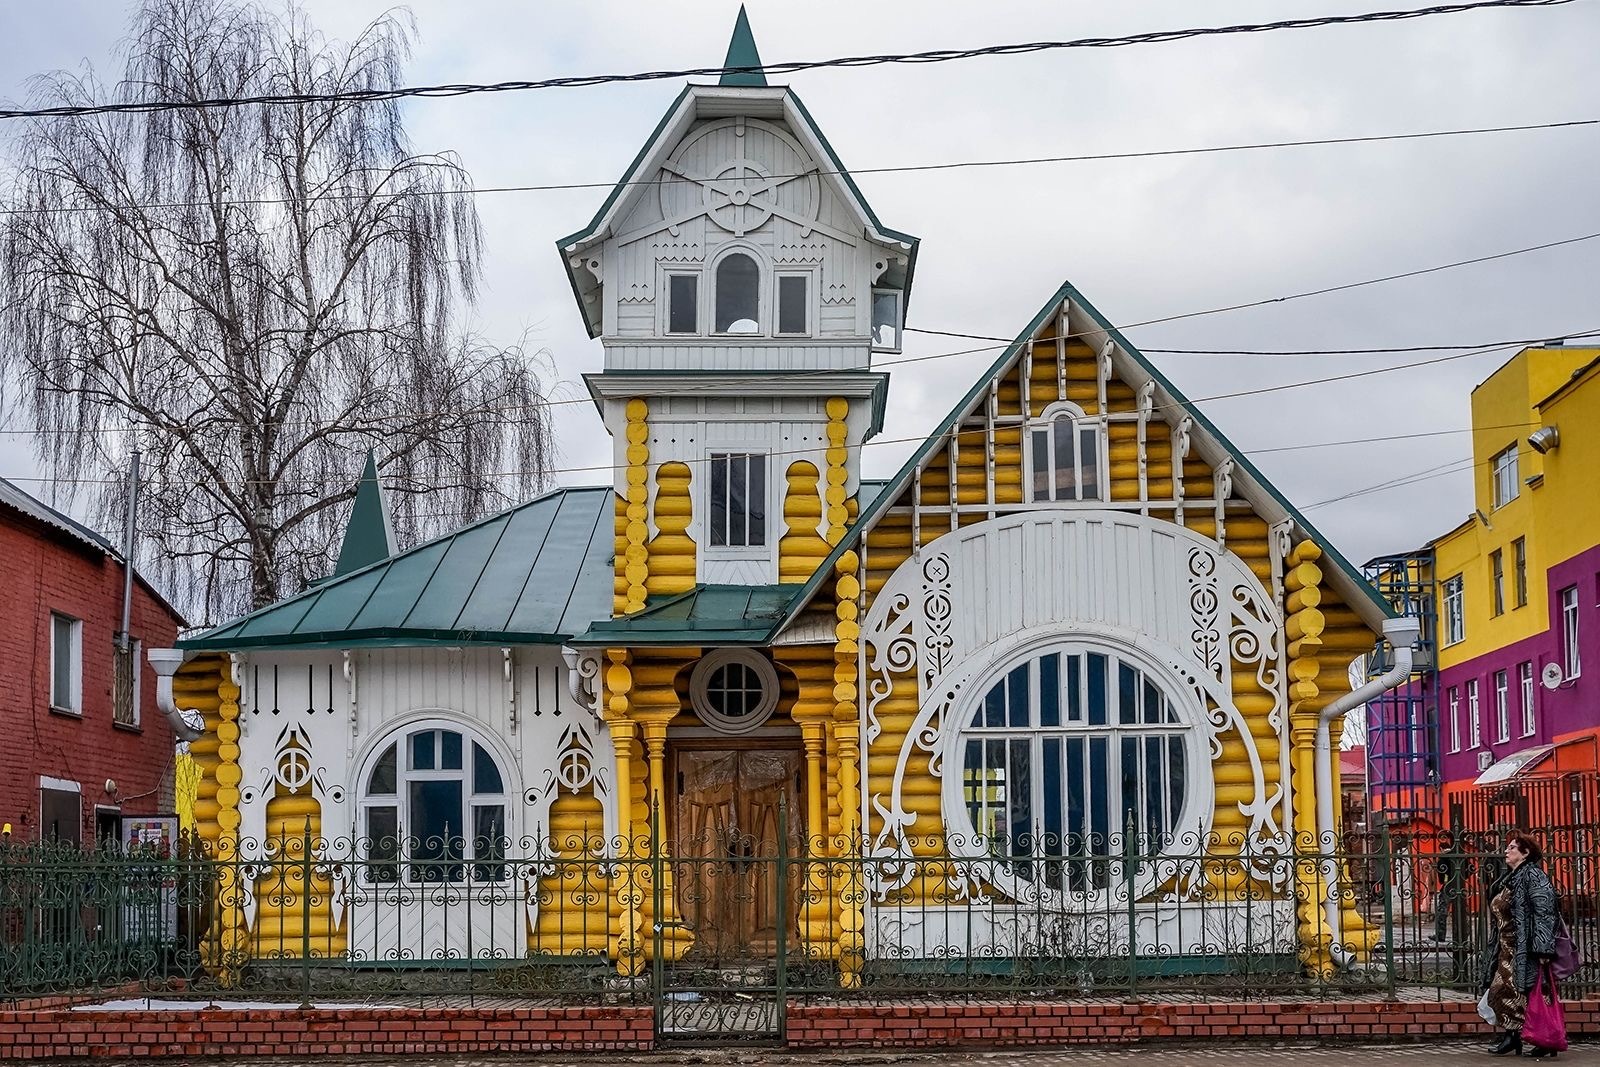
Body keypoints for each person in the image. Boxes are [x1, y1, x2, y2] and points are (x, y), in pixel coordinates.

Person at [1478, 831, 1560, 1057]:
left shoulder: (1533, 876)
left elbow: (1545, 911)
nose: (1507, 850)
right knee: (1505, 992)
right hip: (1507, 947)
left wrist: (1543, 948)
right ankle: (1514, 1037)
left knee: (1525, 992)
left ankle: (1540, 1038)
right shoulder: (1511, 877)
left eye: (1512, 847)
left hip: (1526, 948)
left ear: (1525, 853)